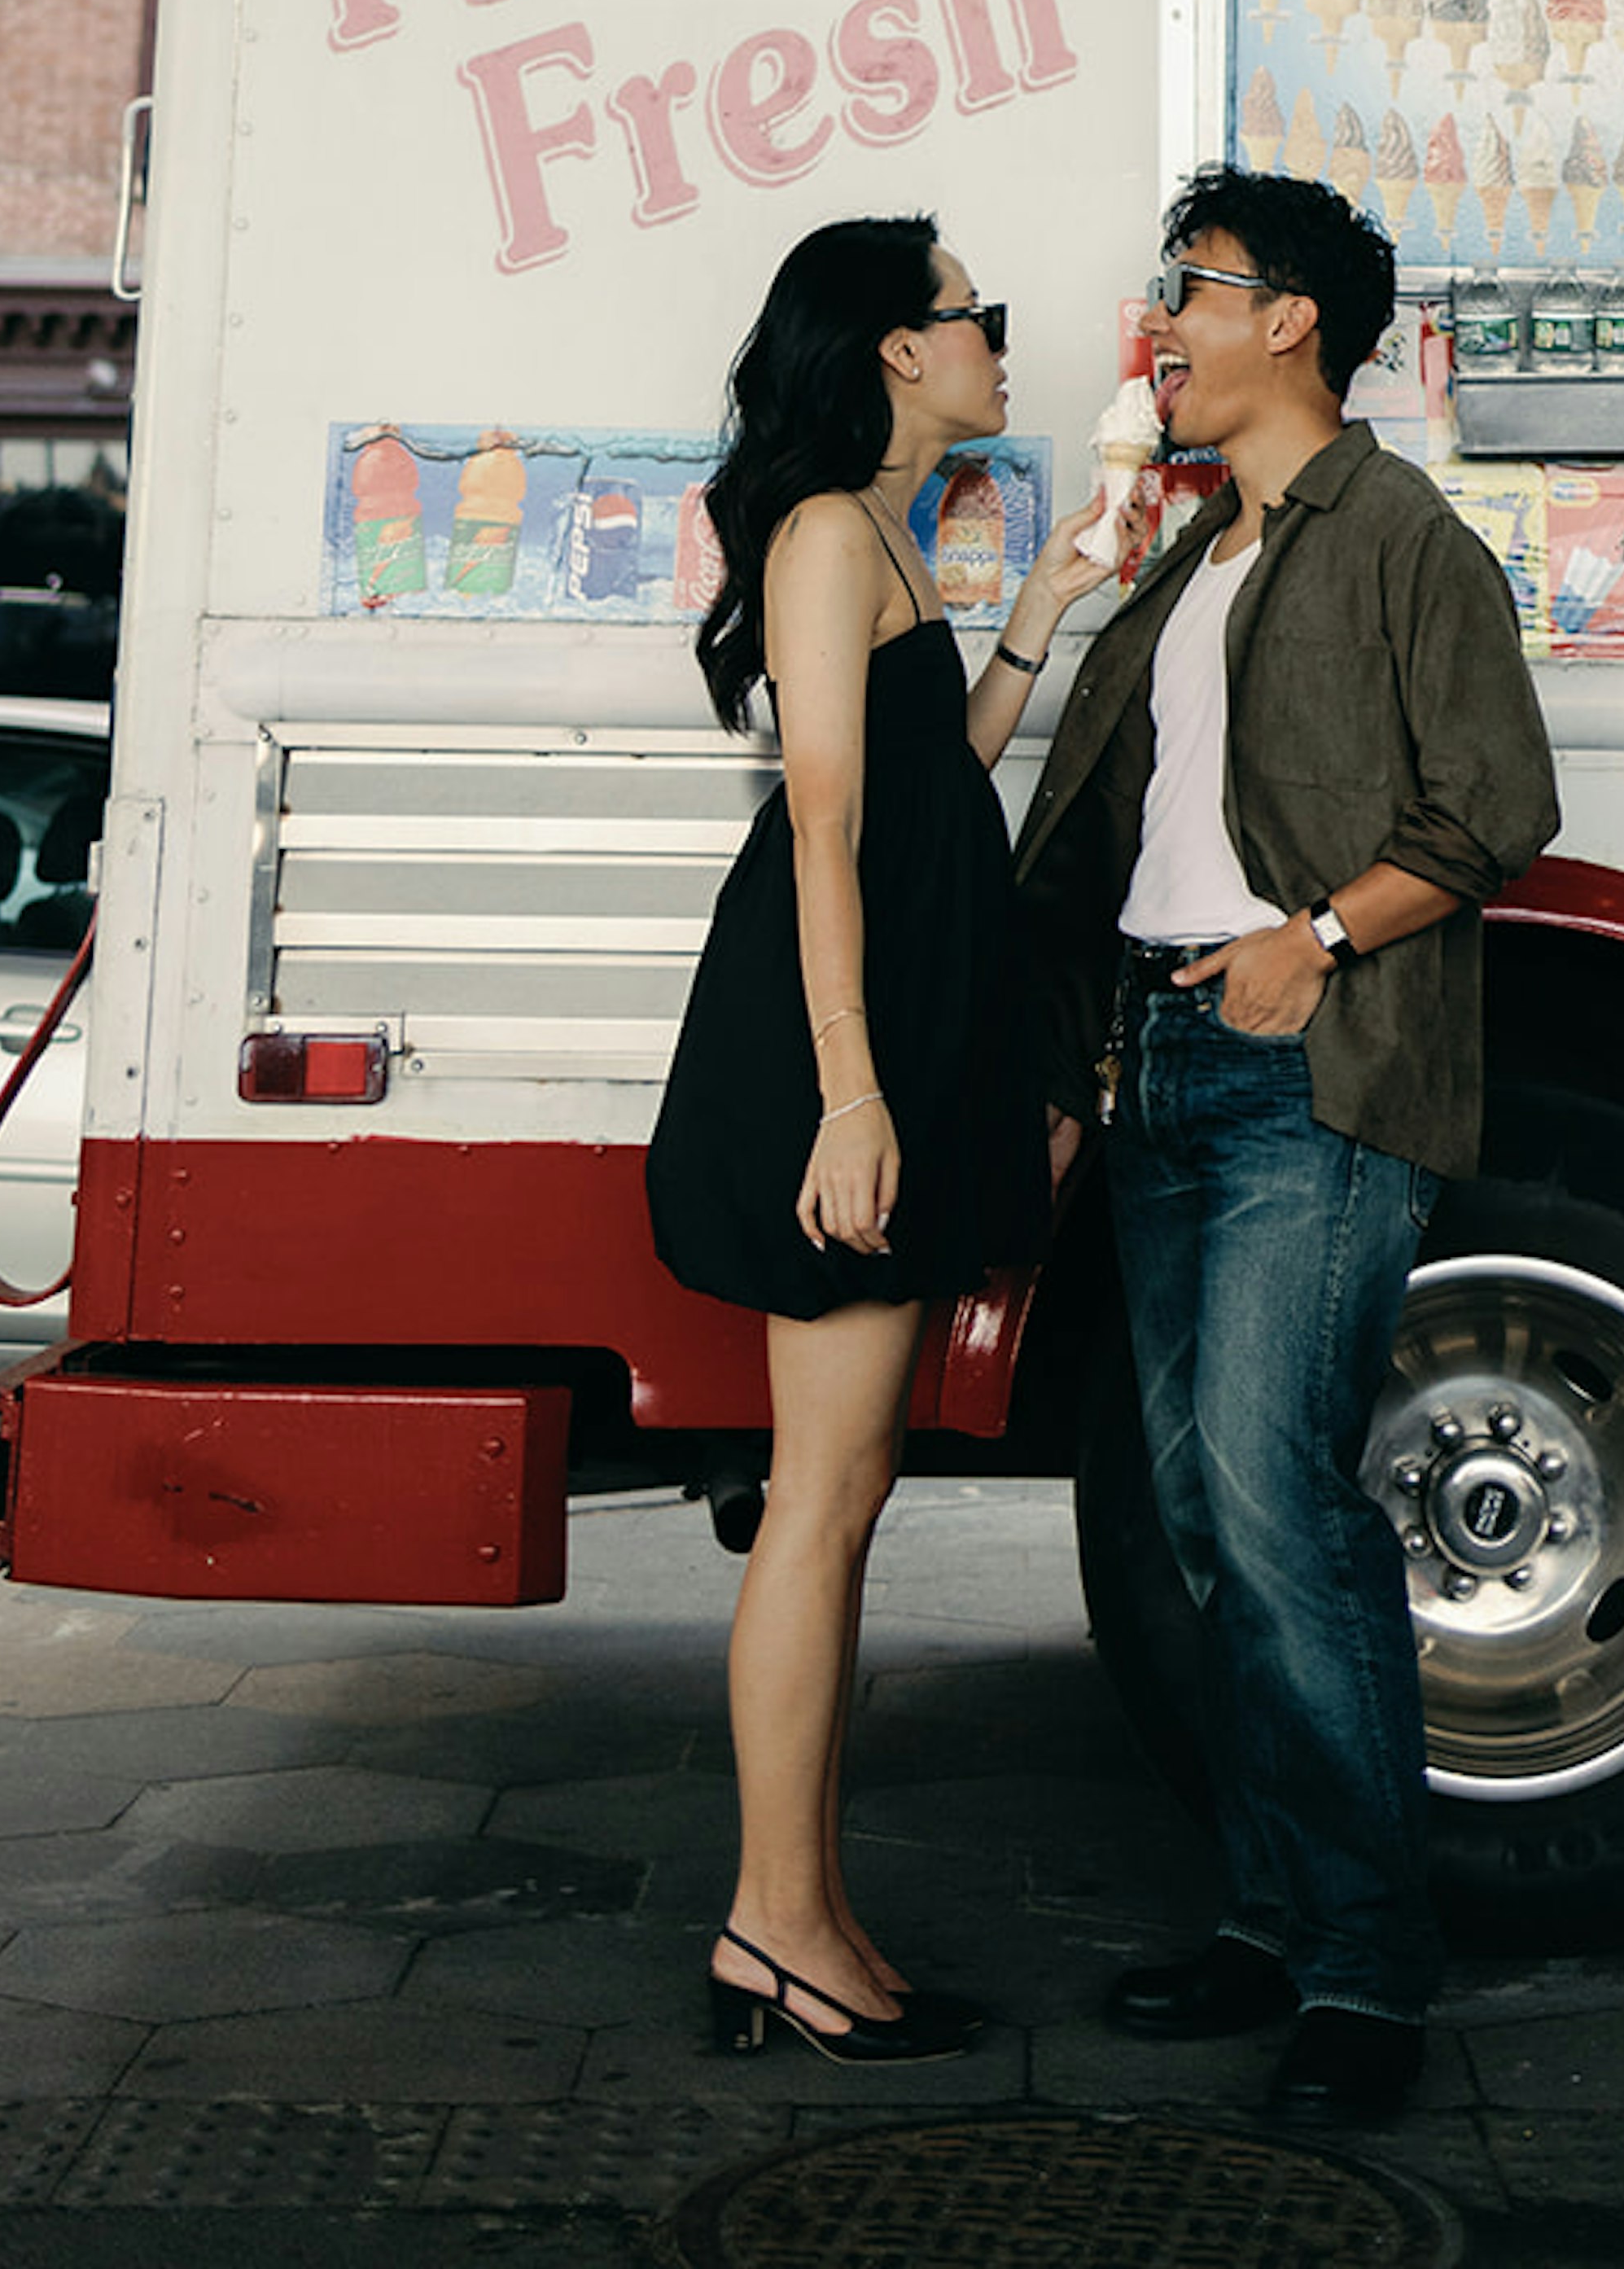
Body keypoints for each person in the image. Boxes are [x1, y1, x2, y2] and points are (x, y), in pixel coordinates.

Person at [1013, 168, 1559, 2128]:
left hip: (1307, 1078)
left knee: (1280, 1514)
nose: (1159, 322)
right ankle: (1274, 1912)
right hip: (1163, 1071)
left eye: (1192, 289)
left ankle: (1361, 1966)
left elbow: (1497, 803)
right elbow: (1123, 819)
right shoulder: (1197, 552)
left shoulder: (1399, 533)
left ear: (1294, 320)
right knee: (1197, 1523)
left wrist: (1311, 941)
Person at [647, 216, 1107, 2066]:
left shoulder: (884, 535)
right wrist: (852, 1092)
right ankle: (773, 1923)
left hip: (895, 1036)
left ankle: (811, 1911)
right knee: (821, 1508)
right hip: (837, 1054)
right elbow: (825, 824)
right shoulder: (829, 534)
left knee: (845, 1507)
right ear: (898, 350)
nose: (1000, 336)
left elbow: (933, 784)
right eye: (973, 314)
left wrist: (1041, 613)